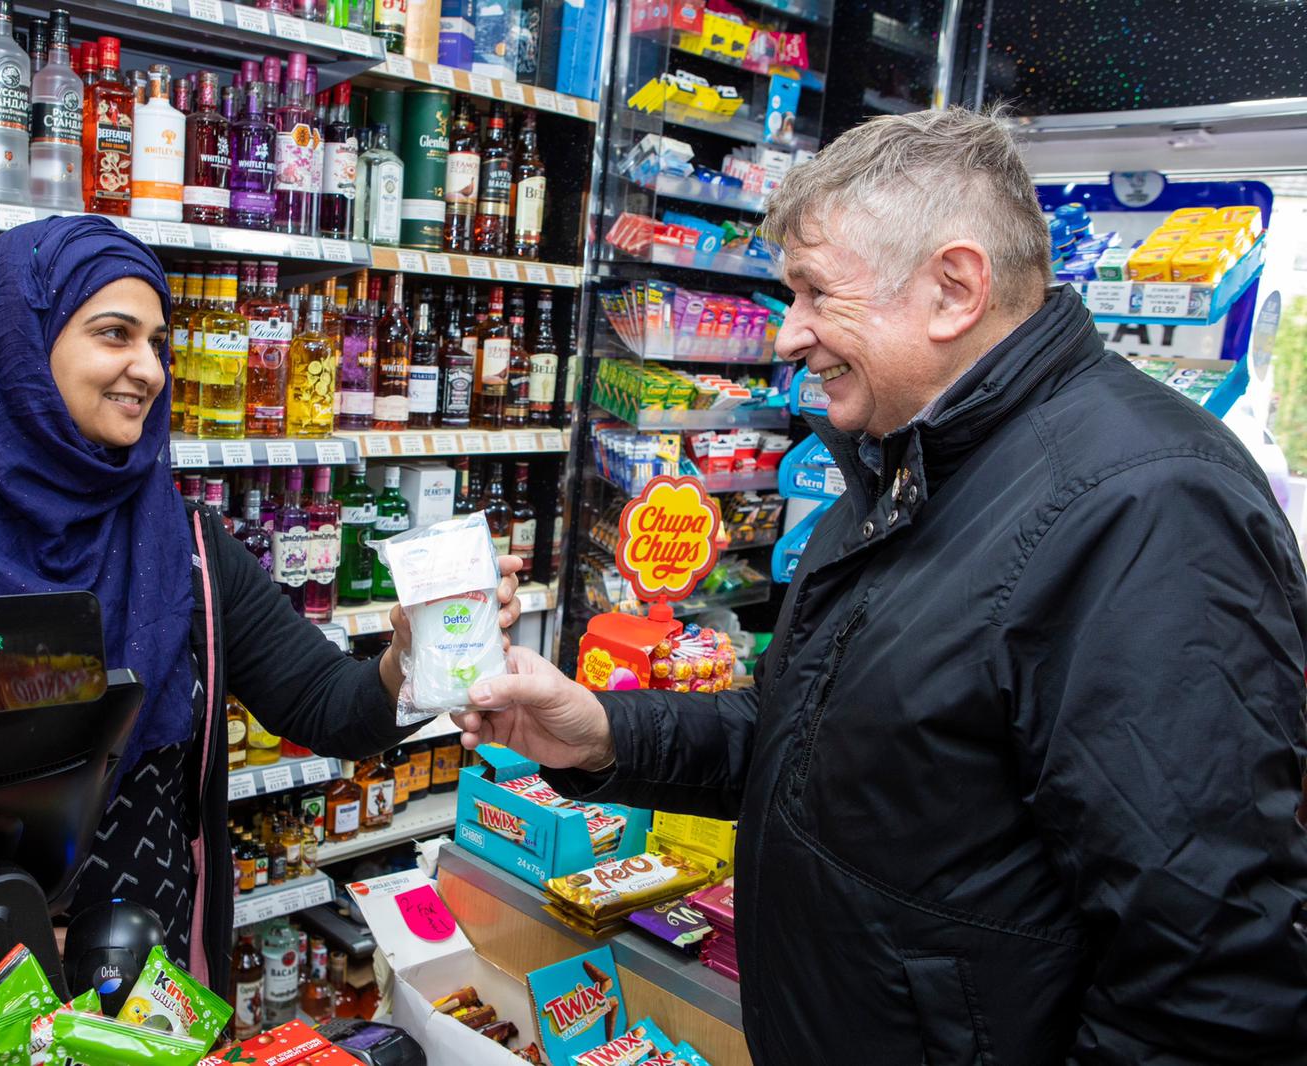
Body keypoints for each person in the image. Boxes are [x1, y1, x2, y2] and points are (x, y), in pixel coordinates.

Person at [452, 109, 1307, 1063]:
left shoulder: (1149, 508)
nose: (789, 335)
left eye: (815, 293)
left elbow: (1206, 970)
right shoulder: (915, 458)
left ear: (952, 289)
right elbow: (814, 739)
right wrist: (605, 733)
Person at [0, 215, 523, 989]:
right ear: (16, 345)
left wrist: (417, 653)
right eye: (114, 334)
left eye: (158, 342)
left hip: (141, 990)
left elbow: (331, 705)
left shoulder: (190, 548)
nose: (152, 369)